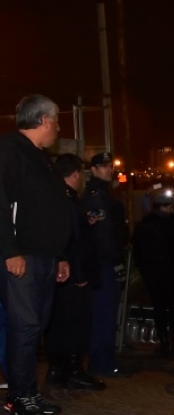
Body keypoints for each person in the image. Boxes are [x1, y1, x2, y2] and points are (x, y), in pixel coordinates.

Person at [0, 95, 71, 415]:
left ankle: (29, 391)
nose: (58, 128)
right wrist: (10, 251)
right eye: (56, 121)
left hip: (45, 256)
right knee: (25, 326)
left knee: (36, 327)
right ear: (44, 120)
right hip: (22, 257)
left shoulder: (41, 157)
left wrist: (60, 255)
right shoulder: (10, 150)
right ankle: (19, 396)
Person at [44, 154, 106, 391]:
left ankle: (57, 368)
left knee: (58, 322)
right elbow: (73, 241)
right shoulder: (68, 199)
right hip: (72, 274)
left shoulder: (54, 196)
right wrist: (80, 276)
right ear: (76, 174)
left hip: (59, 273)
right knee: (76, 323)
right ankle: (73, 370)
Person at [82, 152, 128, 376]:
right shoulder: (97, 195)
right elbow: (104, 235)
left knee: (105, 313)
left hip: (105, 261)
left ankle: (102, 359)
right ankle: (102, 361)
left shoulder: (103, 193)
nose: (109, 170)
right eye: (103, 166)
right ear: (93, 170)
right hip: (104, 263)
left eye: (110, 166)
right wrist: (115, 260)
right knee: (104, 313)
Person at [132, 183, 174, 359]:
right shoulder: (171, 223)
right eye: (170, 206)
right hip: (169, 271)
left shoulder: (145, 224)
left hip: (152, 273)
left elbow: (137, 250)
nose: (173, 209)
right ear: (165, 206)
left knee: (159, 308)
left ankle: (164, 342)